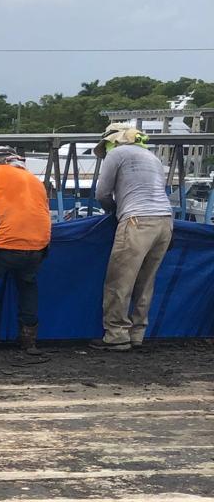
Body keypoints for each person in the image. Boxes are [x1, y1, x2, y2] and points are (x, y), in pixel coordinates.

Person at [92, 125, 175, 350]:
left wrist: (113, 210)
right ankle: (138, 334)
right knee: (146, 282)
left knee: (119, 281)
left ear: (112, 140)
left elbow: (102, 194)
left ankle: (117, 336)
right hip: (165, 222)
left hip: (137, 220)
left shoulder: (117, 154)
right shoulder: (152, 157)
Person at [0, 147, 52, 352]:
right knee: (27, 285)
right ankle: (28, 340)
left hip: (7, 242)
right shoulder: (34, 179)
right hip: (40, 244)